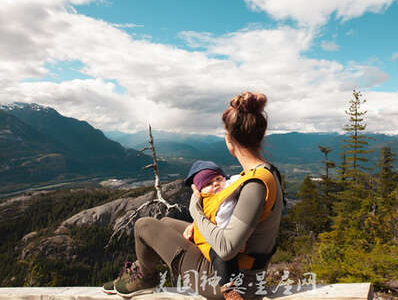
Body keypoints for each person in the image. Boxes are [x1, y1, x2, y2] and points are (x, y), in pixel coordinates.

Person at [103, 91, 283, 300]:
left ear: (229, 138)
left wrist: (196, 211)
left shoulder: (255, 185)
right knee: (166, 223)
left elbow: (226, 249)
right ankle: (141, 270)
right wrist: (199, 228)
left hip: (231, 283)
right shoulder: (266, 172)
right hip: (243, 271)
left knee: (143, 225)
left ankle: (145, 278)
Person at [182, 160, 244, 299]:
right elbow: (207, 213)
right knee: (221, 255)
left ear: (224, 178)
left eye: (218, 179)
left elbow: (239, 179)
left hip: (221, 240)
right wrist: (194, 224)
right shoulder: (206, 199)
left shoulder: (228, 191)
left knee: (222, 255)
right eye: (208, 183)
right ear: (200, 190)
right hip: (208, 238)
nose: (215, 184)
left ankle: (230, 290)